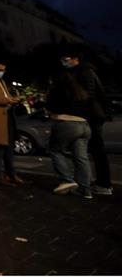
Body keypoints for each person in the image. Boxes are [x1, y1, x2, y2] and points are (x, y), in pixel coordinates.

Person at [60, 50, 113, 195]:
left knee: (97, 151)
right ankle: (95, 182)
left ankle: (104, 184)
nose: (64, 62)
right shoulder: (83, 71)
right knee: (91, 150)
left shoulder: (84, 71)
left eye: (66, 58)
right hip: (92, 115)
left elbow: (87, 96)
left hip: (91, 116)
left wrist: (78, 114)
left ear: (76, 59)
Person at [45, 55, 94, 199]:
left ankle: (66, 179)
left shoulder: (57, 90)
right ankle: (85, 189)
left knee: (54, 150)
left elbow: (51, 107)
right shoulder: (80, 90)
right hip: (84, 125)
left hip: (66, 123)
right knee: (81, 157)